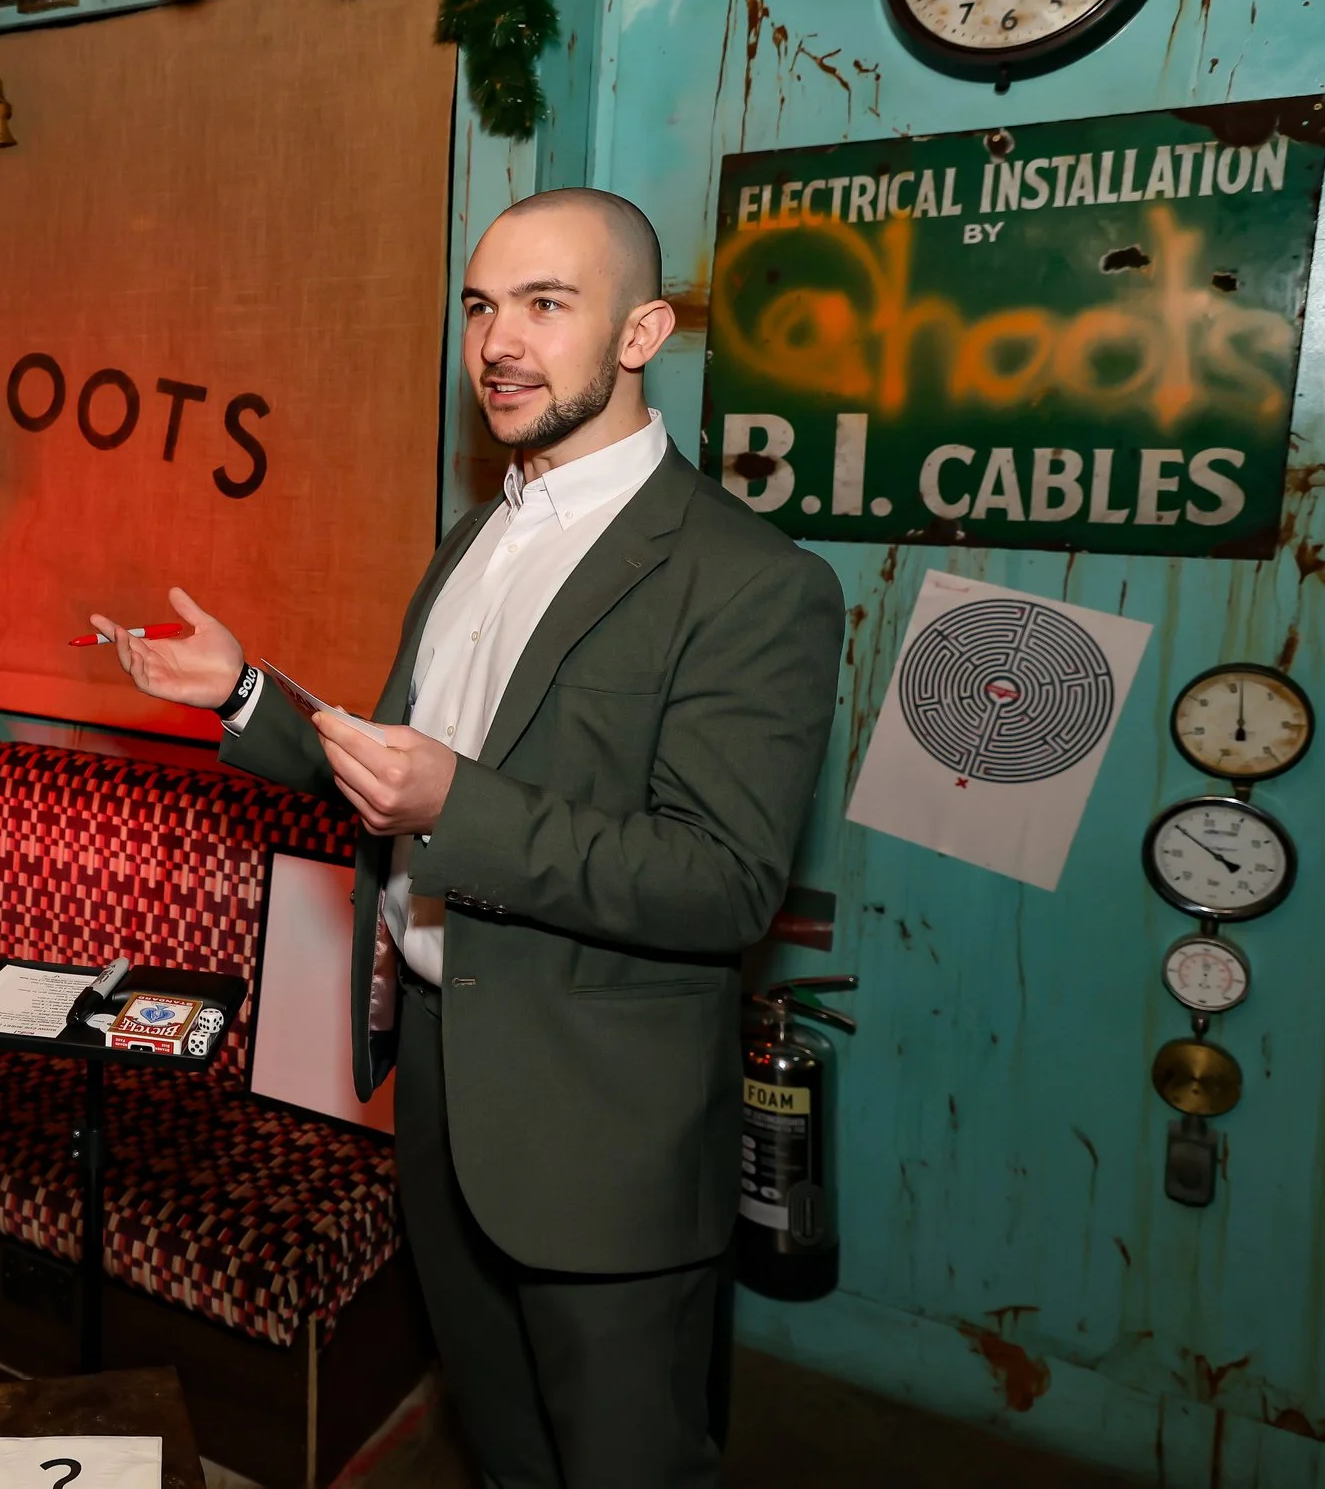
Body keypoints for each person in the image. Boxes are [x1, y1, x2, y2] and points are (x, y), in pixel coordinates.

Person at [91, 189, 844, 1487]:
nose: (500, 339)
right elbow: (396, 776)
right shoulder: (475, 541)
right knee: (503, 1454)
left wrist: (460, 806)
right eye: (483, 305)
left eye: (548, 304)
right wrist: (243, 692)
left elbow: (721, 883)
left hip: (601, 1127)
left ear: (640, 330)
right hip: (443, 1086)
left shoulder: (752, 579)